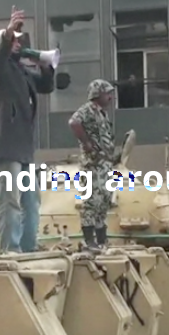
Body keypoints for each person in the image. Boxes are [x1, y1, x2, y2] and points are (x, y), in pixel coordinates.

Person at [0, 6, 55, 252]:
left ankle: (28, 246)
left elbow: (45, 86)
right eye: (14, 41)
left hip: (23, 146)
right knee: (10, 200)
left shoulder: (22, 72)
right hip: (5, 145)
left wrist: (45, 65)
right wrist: (9, 31)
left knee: (30, 202)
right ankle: (10, 250)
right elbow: (0, 56)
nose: (18, 44)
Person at [69, 79, 116, 249]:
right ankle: (89, 240)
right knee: (90, 201)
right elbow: (74, 122)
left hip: (104, 164)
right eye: (107, 94)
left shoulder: (102, 113)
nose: (110, 97)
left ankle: (101, 240)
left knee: (103, 200)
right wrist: (87, 143)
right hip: (92, 164)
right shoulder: (88, 109)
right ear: (97, 94)